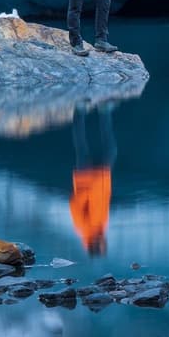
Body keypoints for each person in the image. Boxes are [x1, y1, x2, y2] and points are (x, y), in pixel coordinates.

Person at [69, 103, 117, 256]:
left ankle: (79, 112)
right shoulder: (102, 227)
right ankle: (104, 111)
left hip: (85, 177)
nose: (104, 241)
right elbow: (104, 200)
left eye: (102, 244)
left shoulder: (82, 227)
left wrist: (88, 189)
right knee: (110, 148)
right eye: (105, 244)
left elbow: (74, 204)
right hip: (102, 175)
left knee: (82, 142)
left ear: (94, 244)